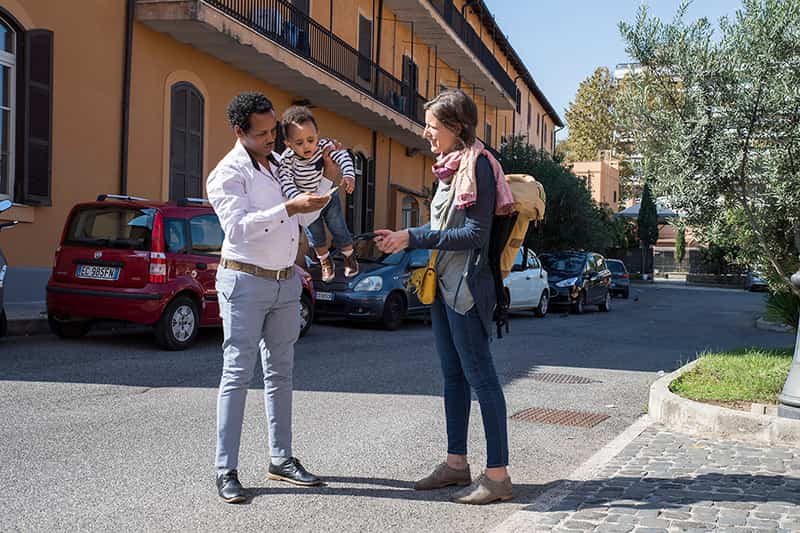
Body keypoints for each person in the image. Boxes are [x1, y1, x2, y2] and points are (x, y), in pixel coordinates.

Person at [374, 89, 515, 505]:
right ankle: (456, 464)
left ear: (456, 128)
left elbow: (475, 235)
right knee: (453, 376)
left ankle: (498, 476)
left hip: (468, 288)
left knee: (482, 378)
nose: (426, 133)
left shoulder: (480, 169)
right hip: (443, 284)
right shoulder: (452, 169)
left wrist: (411, 236)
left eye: (433, 126)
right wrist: (406, 239)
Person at [207, 92, 336, 504]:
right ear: (239, 132)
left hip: (285, 282)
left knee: (281, 374)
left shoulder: (280, 165)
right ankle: (225, 469)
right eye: (261, 133)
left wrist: (327, 183)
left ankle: (281, 459)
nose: (271, 139)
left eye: (273, 130)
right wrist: (287, 206)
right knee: (237, 375)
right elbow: (238, 229)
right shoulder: (226, 174)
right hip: (244, 281)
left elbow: (305, 215)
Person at [278, 105, 359, 282]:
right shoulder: (286, 160)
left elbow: (343, 156)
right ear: (288, 144)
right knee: (315, 235)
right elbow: (286, 182)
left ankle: (349, 256)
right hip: (306, 202)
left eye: (310, 140)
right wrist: (298, 199)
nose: (307, 146)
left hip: (328, 196)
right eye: (299, 143)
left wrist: (348, 174)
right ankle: (324, 260)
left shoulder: (324, 147)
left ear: (318, 135)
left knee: (338, 226)